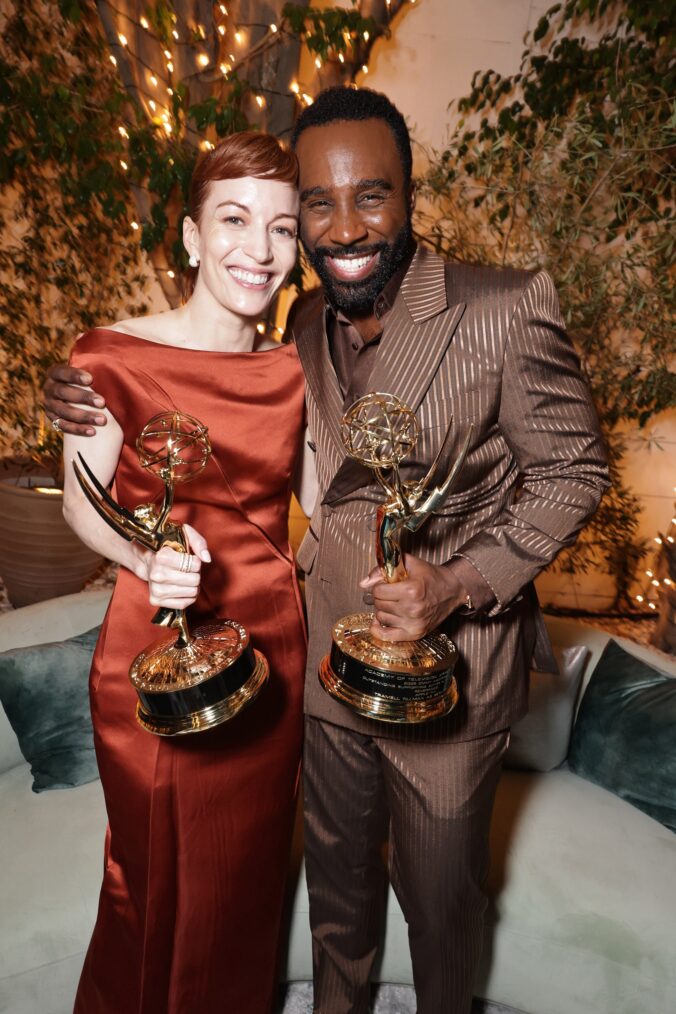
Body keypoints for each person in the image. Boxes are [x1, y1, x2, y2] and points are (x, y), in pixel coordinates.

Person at [45, 88, 610, 1014]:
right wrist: (72, 394)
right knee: (331, 904)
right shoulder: (305, 323)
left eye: (372, 195)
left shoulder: (503, 306)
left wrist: (462, 584)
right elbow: (148, 432)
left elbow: (577, 469)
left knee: (439, 909)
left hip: (446, 669)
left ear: (410, 197)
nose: (342, 225)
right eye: (315, 203)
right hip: (308, 670)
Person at [56, 131, 316, 1014]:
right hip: (156, 647)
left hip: (273, 647)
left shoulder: (296, 368)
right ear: (192, 235)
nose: (260, 249)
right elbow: (81, 502)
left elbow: (315, 494)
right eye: (235, 220)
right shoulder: (109, 356)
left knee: (244, 890)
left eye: (282, 229)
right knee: (152, 883)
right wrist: (142, 555)